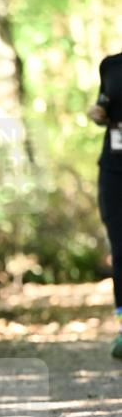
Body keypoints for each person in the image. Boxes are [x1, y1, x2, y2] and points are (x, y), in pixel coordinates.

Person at [87, 52, 122, 359]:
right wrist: (98, 111)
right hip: (113, 169)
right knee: (120, 248)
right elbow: (105, 102)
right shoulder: (110, 65)